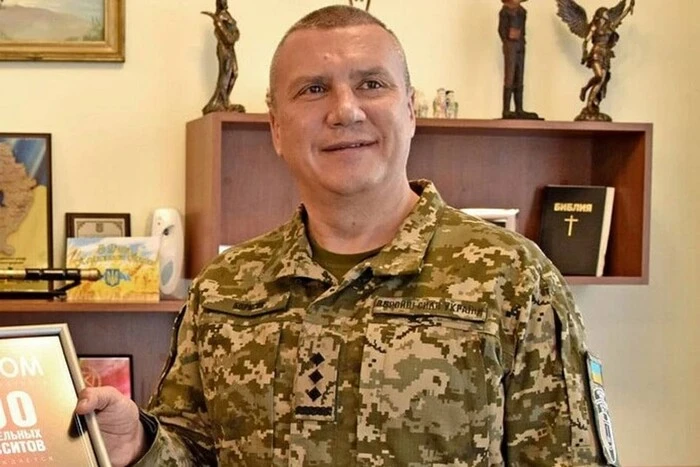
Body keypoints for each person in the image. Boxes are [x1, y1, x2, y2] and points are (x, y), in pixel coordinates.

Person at [76, 5, 619, 466]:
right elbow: (192, 451)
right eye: (313, 89)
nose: (345, 110)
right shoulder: (225, 287)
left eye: (371, 84)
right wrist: (138, 443)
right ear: (276, 128)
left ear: (411, 110)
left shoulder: (513, 278)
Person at [556, 0, 635, 121]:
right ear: (601, 14)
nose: (608, 15)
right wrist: (584, 53)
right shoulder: (594, 27)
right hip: (596, 54)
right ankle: (585, 89)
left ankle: (590, 104)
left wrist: (629, 6)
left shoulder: (610, 26)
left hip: (606, 55)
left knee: (601, 81)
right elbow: (586, 41)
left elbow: (621, 16)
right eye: (606, 13)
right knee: (598, 76)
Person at [201, 0, 245, 114]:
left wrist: (233, 36)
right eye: (223, 1)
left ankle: (225, 101)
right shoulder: (219, 16)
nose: (225, 3)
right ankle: (223, 103)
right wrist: (231, 35)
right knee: (225, 75)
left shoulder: (227, 14)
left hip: (230, 49)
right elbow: (226, 37)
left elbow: (236, 33)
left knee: (234, 73)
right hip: (224, 49)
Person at [498, 0, 540, 120]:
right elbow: (501, 29)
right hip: (511, 45)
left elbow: (523, 29)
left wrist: (520, 38)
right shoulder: (505, 11)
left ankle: (519, 109)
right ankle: (506, 109)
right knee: (510, 76)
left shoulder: (522, 12)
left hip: (520, 44)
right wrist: (507, 39)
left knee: (519, 76)